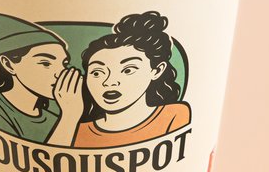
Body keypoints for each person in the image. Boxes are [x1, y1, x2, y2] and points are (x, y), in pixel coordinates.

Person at [73, 11, 191, 148]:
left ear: (157, 70)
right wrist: (68, 116)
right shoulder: (79, 130)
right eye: (97, 72)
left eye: (128, 70)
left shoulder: (173, 115)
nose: (109, 82)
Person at [0, 13, 83, 145]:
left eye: (64, 64)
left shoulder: (54, 119)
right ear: (8, 64)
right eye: (46, 63)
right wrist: (70, 116)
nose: (60, 73)